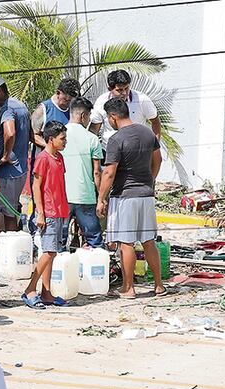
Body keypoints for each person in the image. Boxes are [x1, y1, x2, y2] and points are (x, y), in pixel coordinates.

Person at [96, 98, 165, 299]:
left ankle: (129, 288)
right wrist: (150, 180)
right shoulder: (148, 133)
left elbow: (109, 172)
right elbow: (158, 159)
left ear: (113, 117)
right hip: (146, 195)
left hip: (124, 196)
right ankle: (159, 286)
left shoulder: (116, 140)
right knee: (148, 241)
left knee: (126, 243)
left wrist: (101, 198)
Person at [22, 121, 70, 309]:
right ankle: (30, 289)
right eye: (62, 138)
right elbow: (36, 185)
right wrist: (40, 213)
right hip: (48, 211)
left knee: (52, 253)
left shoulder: (59, 158)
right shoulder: (43, 158)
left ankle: (46, 292)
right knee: (48, 252)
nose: (65, 142)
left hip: (60, 210)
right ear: (51, 139)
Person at [0, 84, 31, 244]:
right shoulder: (20, 105)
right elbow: (30, 134)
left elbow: (10, 133)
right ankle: (12, 251)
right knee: (11, 211)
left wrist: (4, 156)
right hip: (20, 170)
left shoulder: (7, 108)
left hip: (6, 172)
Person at [63, 97, 105, 248]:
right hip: (85, 196)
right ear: (83, 116)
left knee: (60, 241)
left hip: (63, 195)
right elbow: (97, 172)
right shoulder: (92, 139)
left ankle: (58, 270)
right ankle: (98, 270)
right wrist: (101, 197)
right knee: (94, 239)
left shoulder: (58, 137)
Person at [89, 69, 162, 152]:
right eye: (119, 90)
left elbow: (155, 121)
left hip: (136, 153)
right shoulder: (101, 101)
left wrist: (155, 148)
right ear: (110, 89)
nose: (124, 93)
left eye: (126, 88)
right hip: (109, 152)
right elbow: (94, 130)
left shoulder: (142, 99)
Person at [30, 78, 80, 148]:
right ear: (58, 93)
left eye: (71, 101)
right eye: (66, 100)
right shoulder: (43, 109)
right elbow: (33, 135)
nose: (69, 103)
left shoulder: (74, 110)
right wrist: (51, 147)